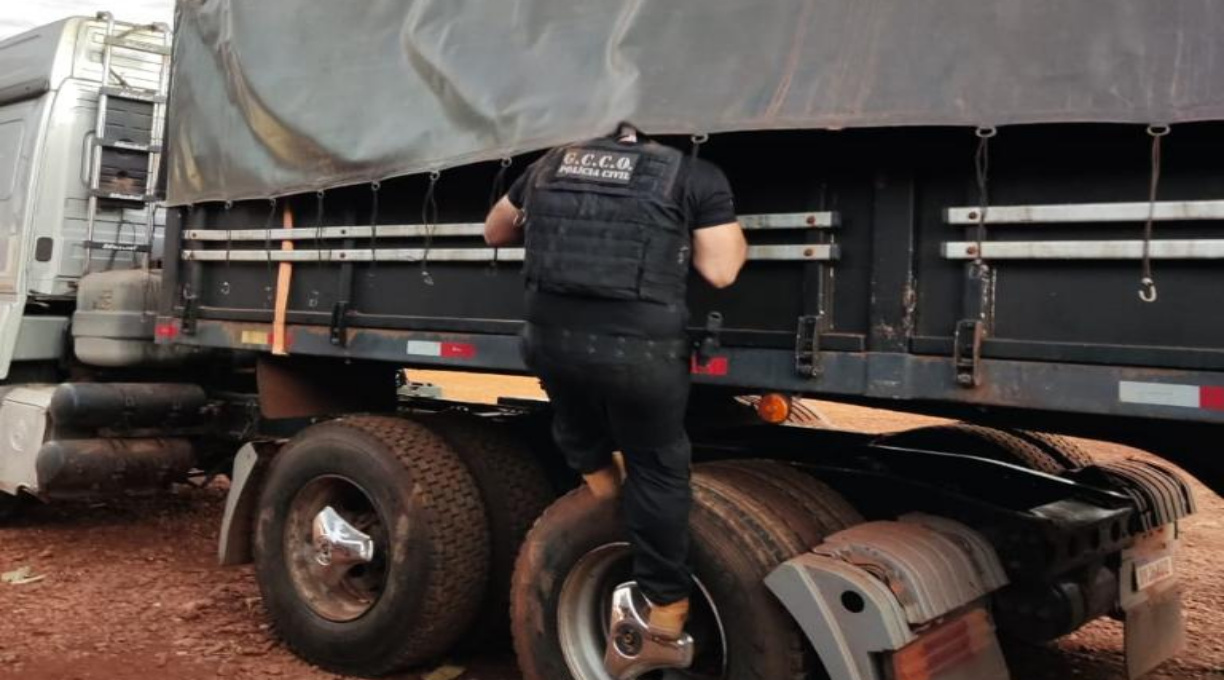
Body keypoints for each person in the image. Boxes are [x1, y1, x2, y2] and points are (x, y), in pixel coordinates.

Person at [484, 123, 747, 641]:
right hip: (638, 354)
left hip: (549, 343)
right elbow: (720, 272)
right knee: (657, 466)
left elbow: (495, 232)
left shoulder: (548, 165)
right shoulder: (692, 174)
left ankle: (600, 484)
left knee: (574, 412)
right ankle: (666, 602)